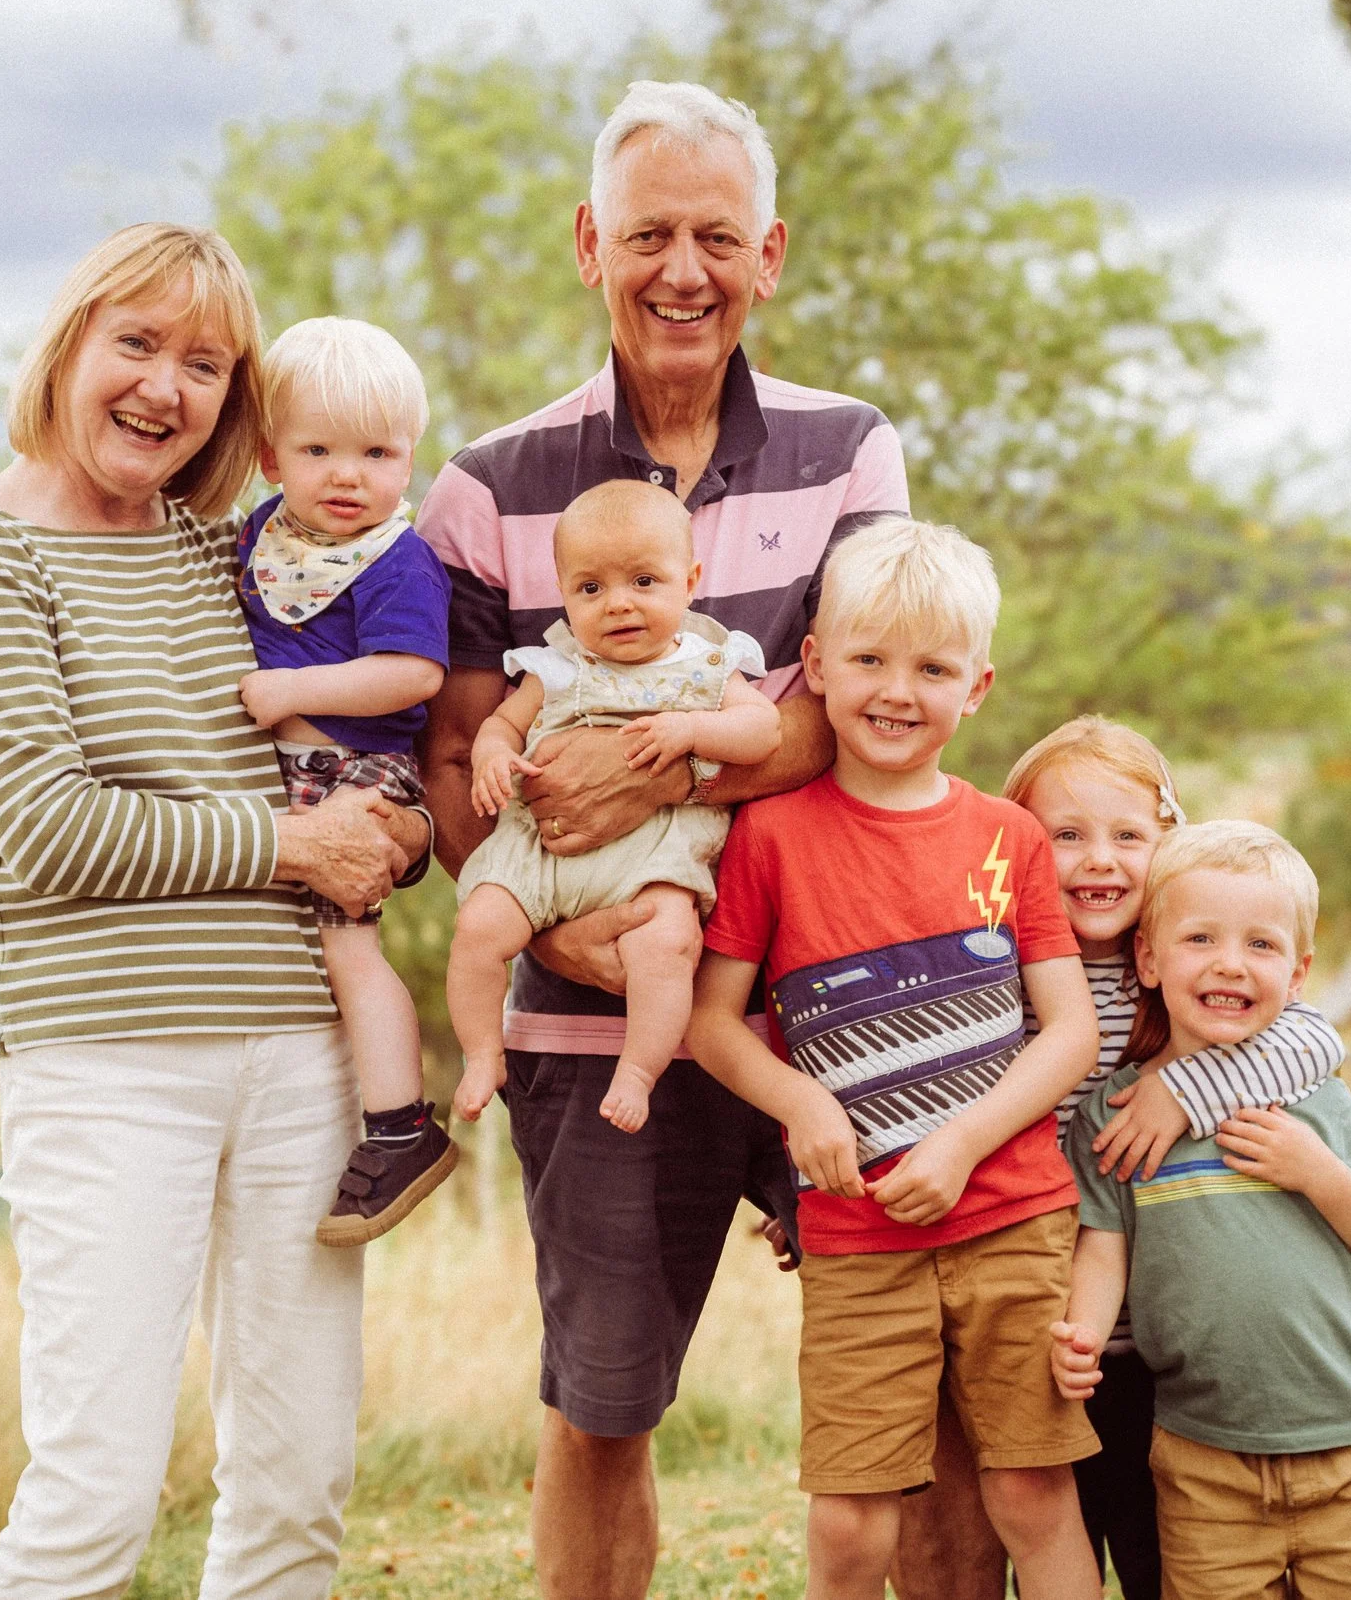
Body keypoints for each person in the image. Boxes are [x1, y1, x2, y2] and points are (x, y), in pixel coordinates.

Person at [414, 79, 907, 1597]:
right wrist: (567, 922)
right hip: (586, 1029)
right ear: (589, 245)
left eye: (713, 235)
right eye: (647, 235)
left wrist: (654, 790)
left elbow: (857, 713)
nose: (680, 270)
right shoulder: (489, 485)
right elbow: (452, 753)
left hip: (831, 996)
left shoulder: (850, 451)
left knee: (929, 1381)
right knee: (604, 1405)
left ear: (769, 254)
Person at [0, 223, 426, 1600]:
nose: (165, 387)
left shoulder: (228, 556)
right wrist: (295, 844)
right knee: (93, 1498)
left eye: (204, 362)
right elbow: (47, 827)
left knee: (299, 1488)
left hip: (302, 1058)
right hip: (108, 1064)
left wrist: (398, 830)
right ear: (69, 344)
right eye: (136, 343)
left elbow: (346, 767)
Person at [688, 518, 1106, 1600]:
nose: (896, 689)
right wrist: (799, 1103)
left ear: (976, 687)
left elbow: (1068, 1031)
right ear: (817, 665)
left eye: (931, 667)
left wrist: (965, 1143)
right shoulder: (771, 835)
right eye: (868, 659)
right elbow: (711, 1022)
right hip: (855, 1229)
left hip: (1015, 1214)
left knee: (1029, 1490)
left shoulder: (1005, 838)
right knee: (853, 1509)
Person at [898, 717, 1351, 1600]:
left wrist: (1192, 1083)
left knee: (1165, 1552)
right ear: (1016, 844)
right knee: (1049, 1537)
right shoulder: (999, 977)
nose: (1097, 860)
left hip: (1164, 1340)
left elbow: (1313, 1034)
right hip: (1044, 1330)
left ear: (1167, 846)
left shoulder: (1186, 969)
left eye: (1127, 836)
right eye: (1064, 835)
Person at [1052, 821, 1351, 1600]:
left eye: (1261, 944)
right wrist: (1081, 1337)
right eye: (1200, 938)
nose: (1230, 963)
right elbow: (1103, 1251)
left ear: (1297, 974)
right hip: (1199, 1457)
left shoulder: (1311, 1098)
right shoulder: (1112, 1116)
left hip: (1349, 1441)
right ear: (1148, 960)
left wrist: (1318, 1173)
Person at [449, 481, 781, 1133]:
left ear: (690, 581)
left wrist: (691, 731)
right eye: (591, 589)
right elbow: (502, 724)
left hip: (651, 855)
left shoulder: (707, 666)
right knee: (480, 929)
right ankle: (483, 1052)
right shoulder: (556, 665)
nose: (618, 604)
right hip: (544, 850)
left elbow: (763, 731)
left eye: (644, 581)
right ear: (565, 594)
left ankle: (639, 1068)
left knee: (666, 942)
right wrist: (493, 755)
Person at [234, 316, 457, 1246]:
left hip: (359, 772)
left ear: (409, 461)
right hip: (292, 774)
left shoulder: (397, 558)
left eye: (376, 452)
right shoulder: (262, 534)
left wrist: (292, 688)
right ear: (269, 454)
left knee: (348, 949)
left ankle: (401, 1125)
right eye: (317, 448)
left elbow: (414, 673)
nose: (346, 474)